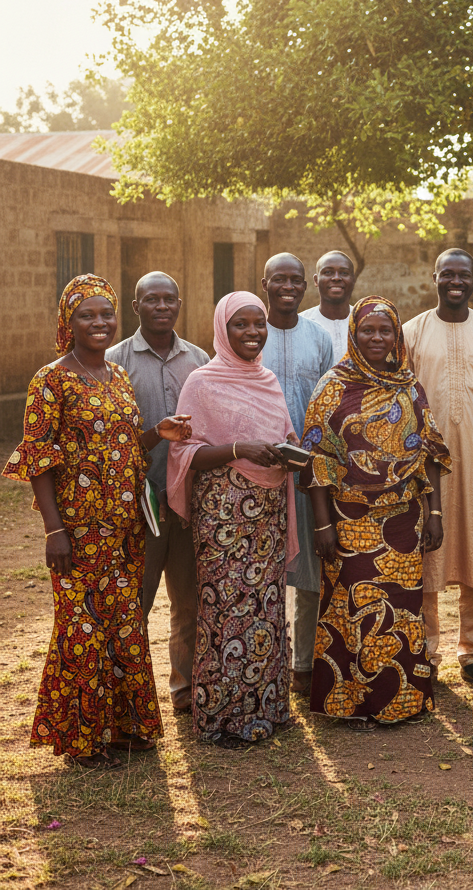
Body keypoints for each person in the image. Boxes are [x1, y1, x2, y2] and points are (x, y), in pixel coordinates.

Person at [3, 275, 191, 768]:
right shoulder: (51, 380)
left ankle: (127, 727)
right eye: (87, 314)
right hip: (78, 535)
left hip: (125, 529)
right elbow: (39, 459)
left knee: (124, 627)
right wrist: (54, 530)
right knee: (82, 630)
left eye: (106, 314)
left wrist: (158, 433)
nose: (100, 323)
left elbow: (124, 447)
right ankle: (84, 739)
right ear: (68, 321)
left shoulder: (116, 378)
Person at [301, 296, 452, 727]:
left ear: (396, 336)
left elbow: (430, 453)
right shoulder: (333, 386)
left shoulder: (408, 386)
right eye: (368, 330)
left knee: (402, 612)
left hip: (403, 519)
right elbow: (317, 462)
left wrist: (435, 514)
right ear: (354, 334)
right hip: (348, 520)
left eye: (386, 331)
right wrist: (323, 524)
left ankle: (402, 700)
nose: (377, 338)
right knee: (351, 610)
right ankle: (352, 703)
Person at [167, 291, 305, 748]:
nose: (252, 333)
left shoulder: (266, 379)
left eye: (258, 324)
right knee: (226, 608)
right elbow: (185, 450)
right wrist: (238, 450)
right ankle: (222, 717)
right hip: (224, 516)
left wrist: (287, 452)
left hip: (266, 514)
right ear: (222, 329)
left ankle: (267, 709)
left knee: (265, 606)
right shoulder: (201, 382)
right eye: (240, 325)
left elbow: (281, 432)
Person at [404, 248, 473, 689]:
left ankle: (472, 653)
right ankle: (426, 652)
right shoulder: (410, 332)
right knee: (425, 558)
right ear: (434, 277)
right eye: (447, 274)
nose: (455, 281)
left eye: (463, 274)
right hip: (423, 467)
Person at [106, 271, 210, 713]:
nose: (162, 306)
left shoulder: (199, 359)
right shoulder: (114, 360)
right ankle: (125, 697)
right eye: (152, 300)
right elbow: (109, 439)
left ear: (179, 304)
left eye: (169, 299)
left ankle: (182, 689)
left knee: (188, 601)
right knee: (135, 602)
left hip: (187, 501)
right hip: (137, 504)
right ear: (136, 307)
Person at [260, 252, 335, 697]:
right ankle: (265, 664)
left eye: (295, 280)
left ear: (305, 285)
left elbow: (325, 402)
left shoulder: (319, 338)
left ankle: (302, 666)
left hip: (307, 472)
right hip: (257, 470)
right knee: (264, 569)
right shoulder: (248, 330)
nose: (288, 287)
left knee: (308, 570)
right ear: (265, 283)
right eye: (279, 279)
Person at [300, 250, 357, 363]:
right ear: (316, 280)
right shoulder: (301, 325)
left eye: (344, 273)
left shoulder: (365, 322)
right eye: (328, 272)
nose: (336, 278)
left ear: (353, 280)